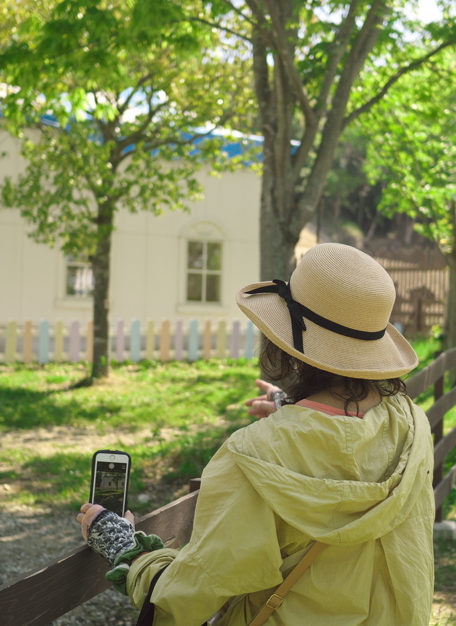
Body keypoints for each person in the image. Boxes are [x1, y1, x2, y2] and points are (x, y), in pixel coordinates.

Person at [77, 243, 435, 625]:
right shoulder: (411, 422)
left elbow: (189, 595)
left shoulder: (254, 456)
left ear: (284, 342)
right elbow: (349, 446)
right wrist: (293, 412)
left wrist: (127, 550)